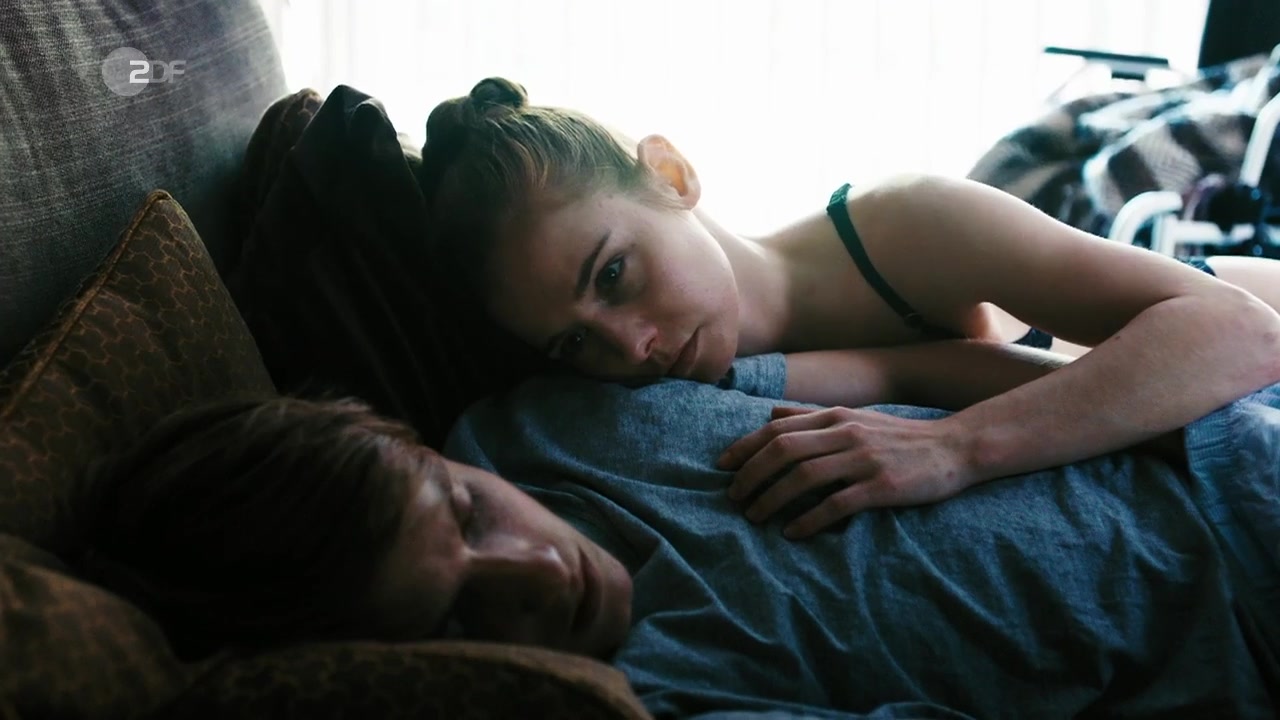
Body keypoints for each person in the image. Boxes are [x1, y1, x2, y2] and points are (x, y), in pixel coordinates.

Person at [80, 354, 1280, 719]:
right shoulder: (640, 702)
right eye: (456, 615)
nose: (536, 573)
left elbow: (909, 364)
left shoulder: (545, 416)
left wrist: (995, 433)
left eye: (464, 514)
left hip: (1218, 442)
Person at [417, 77, 1280, 537]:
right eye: (573, 343)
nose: (629, 348)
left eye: (613, 275)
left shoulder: (907, 224)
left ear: (671, 176)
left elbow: (1239, 329)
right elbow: (934, 370)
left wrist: (956, 448)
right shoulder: (682, 394)